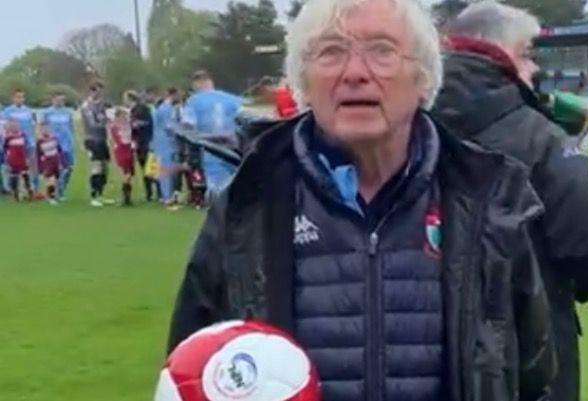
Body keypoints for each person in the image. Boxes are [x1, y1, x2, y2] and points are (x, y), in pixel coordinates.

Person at [167, 2, 555, 401]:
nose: (354, 72)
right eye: (331, 51)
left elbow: (535, 379)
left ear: (423, 78)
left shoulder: (486, 198)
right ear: (303, 81)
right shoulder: (249, 202)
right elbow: (192, 373)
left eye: (382, 50)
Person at [433, 3, 588, 401]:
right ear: (499, 53)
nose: (534, 69)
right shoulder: (536, 135)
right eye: (527, 54)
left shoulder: (411, 126)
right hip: (529, 337)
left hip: (430, 342)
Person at [181, 70, 245, 201]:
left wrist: (189, 153)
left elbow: (188, 127)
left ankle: (220, 209)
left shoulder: (194, 101)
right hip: (235, 148)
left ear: (196, 84)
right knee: (238, 185)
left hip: (212, 150)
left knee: (216, 187)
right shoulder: (234, 99)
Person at [81, 82, 114, 207]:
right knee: (97, 166)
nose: (99, 94)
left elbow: (111, 117)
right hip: (92, 139)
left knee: (105, 167)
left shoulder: (104, 105)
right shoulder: (87, 106)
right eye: (97, 92)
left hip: (102, 139)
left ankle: (100, 194)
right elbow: (92, 124)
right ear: (92, 91)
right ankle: (94, 196)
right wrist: (106, 121)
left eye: (101, 92)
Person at [3, 89, 40, 194]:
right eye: (18, 97)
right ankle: (12, 188)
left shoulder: (28, 111)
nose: (20, 99)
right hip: (15, 144)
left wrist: (36, 137)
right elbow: (4, 127)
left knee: (32, 165)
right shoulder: (7, 111)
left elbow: (34, 125)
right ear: (13, 98)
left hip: (29, 142)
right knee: (13, 166)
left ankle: (33, 187)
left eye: (22, 97)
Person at [41, 93, 76, 199]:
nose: (60, 102)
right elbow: (42, 127)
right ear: (53, 100)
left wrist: (73, 140)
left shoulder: (67, 112)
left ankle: (61, 189)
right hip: (53, 145)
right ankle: (52, 191)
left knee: (68, 168)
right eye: (58, 100)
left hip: (67, 144)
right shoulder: (47, 113)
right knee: (53, 169)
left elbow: (71, 127)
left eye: (62, 100)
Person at [128, 90, 160, 202]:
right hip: (141, 142)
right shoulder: (137, 109)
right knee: (147, 168)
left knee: (149, 168)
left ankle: (155, 192)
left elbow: (146, 123)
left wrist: (133, 125)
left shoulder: (141, 109)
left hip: (144, 142)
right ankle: (151, 193)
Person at [154, 88, 181, 207]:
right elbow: (169, 127)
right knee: (165, 169)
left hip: (166, 142)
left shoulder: (166, 108)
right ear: (173, 95)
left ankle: (168, 195)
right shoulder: (166, 109)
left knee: (167, 169)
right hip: (164, 142)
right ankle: (166, 197)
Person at [109, 108, 137, 206]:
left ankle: (128, 197)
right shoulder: (114, 127)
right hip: (121, 151)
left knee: (130, 174)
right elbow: (116, 140)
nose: (125, 117)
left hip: (129, 150)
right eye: (123, 115)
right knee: (125, 173)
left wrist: (133, 144)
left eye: (126, 115)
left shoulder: (129, 126)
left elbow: (133, 137)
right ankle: (126, 197)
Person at [3, 119, 31, 201]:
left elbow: (26, 147)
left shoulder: (23, 135)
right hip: (13, 161)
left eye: (16, 125)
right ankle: (15, 194)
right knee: (14, 178)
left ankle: (28, 192)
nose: (14, 127)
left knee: (26, 176)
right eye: (12, 125)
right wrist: (8, 159)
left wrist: (27, 158)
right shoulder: (8, 137)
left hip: (23, 160)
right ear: (9, 127)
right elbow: (5, 149)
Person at [36, 121, 63, 204]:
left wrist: (60, 162)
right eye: (44, 129)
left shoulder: (54, 138)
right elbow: (38, 155)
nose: (46, 130)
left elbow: (59, 150)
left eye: (47, 128)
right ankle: (52, 198)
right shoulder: (40, 141)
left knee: (56, 180)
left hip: (55, 161)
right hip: (47, 163)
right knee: (51, 180)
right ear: (41, 130)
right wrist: (40, 169)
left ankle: (52, 195)